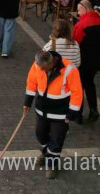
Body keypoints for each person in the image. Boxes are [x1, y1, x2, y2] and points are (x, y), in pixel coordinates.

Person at [23, 50, 83, 179]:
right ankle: (45, 153)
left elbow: (77, 91)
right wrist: (27, 101)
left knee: (56, 140)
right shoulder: (37, 65)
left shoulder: (69, 69)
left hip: (60, 114)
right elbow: (32, 82)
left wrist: (73, 112)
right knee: (40, 135)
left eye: (44, 68)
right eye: (40, 67)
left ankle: (51, 164)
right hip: (42, 111)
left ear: (51, 63)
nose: (41, 69)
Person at [72, 0, 100, 123]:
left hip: (82, 62)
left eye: (79, 10)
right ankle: (93, 110)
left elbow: (75, 44)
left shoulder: (81, 25)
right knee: (90, 84)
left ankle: (78, 114)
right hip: (97, 61)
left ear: (85, 8)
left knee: (79, 86)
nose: (78, 14)